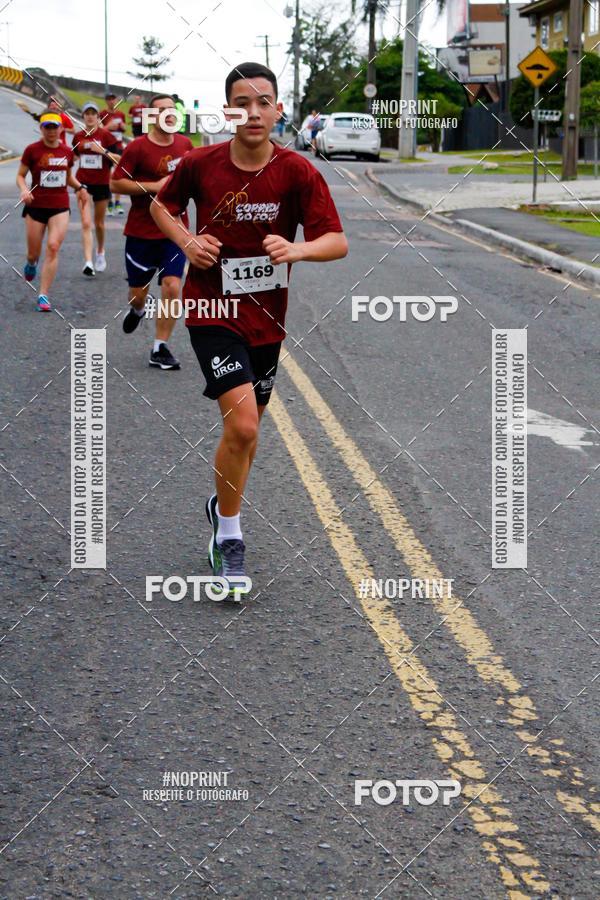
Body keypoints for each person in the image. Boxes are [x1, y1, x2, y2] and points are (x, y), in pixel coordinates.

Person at [151, 62, 347, 596]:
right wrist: (188, 242)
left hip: (267, 318)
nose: (253, 112)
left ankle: (221, 503)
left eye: (264, 101)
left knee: (250, 427)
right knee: (242, 426)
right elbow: (160, 204)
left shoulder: (297, 171)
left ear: (279, 110)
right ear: (228, 111)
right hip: (211, 310)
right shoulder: (199, 163)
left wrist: (298, 248)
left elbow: (336, 240)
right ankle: (230, 534)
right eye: (242, 102)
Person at [110, 94, 193, 370]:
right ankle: (137, 309)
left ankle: (160, 347)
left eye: (172, 110)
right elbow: (116, 185)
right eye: (162, 110)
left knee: (172, 286)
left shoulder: (185, 144)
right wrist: (154, 187)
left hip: (174, 230)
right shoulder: (137, 148)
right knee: (138, 292)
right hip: (141, 232)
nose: (169, 114)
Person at [17, 112, 89, 311]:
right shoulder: (32, 150)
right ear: (41, 129)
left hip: (59, 205)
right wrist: (24, 189)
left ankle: (43, 295)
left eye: (54, 127)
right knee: (33, 254)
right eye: (47, 127)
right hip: (35, 206)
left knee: (54, 246)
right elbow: (21, 176)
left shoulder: (66, 151)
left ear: (61, 129)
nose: (51, 131)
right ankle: (31, 263)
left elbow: (67, 177)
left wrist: (80, 188)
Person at [72, 102, 121, 275]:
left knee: (99, 224)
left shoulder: (106, 136)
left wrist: (103, 151)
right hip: (82, 184)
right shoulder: (78, 137)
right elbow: (75, 156)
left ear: (98, 117)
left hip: (102, 184)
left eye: (93, 113)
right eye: (87, 113)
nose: (90, 116)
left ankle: (100, 252)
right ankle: (88, 262)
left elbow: (120, 160)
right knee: (86, 223)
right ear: (83, 117)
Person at [99, 93, 127, 215]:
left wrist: (121, 125)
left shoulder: (120, 114)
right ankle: (109, 203)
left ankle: (117, 202)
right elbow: (98, 130)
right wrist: (108, 127)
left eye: (113, 99)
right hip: (108, 147)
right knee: (108, 176)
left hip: (119, 147)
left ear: (116, 100)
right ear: (106, 101)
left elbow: (125, 129)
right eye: (108, 99)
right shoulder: (102, 114)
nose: (111, 101)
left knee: (119, 175)